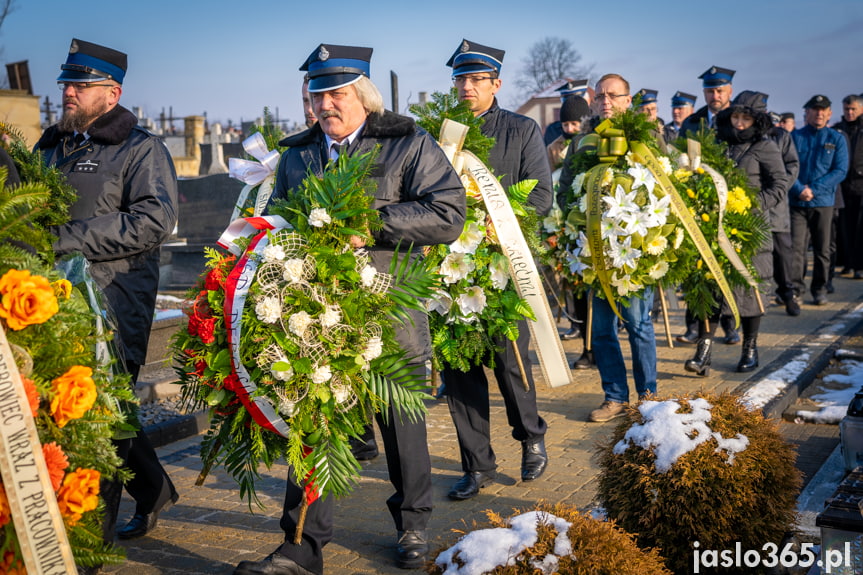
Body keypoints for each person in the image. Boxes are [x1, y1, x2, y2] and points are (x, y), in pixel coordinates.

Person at [232, 44, 465, 575]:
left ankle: (412, 523)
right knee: (313, 418)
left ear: (363, 95)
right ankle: (301, 545)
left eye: (336, 93)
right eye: (317, 95)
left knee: (400, 423)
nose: (325, 105)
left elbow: (449, 212)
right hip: (317, 314)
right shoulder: (297, 155)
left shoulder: (407, 143)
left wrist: (373, 225)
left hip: (391, 309)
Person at [34, 38, 179, 543]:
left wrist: (63, 242)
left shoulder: (140, 149)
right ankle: (154, 486)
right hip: (50, 301)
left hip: (114, 300)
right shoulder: (50, 146)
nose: (67, 92)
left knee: (100, 416)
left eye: (79, 84)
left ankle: (93, 541)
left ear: (111, 93)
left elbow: (153, 221)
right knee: (83, 408)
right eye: (66, 83)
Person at [440, 39, 552, 501]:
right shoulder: (440, 133)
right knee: (459, 368)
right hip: (450, 268)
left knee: (511, 362)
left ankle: (531, 437)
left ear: (496, 84)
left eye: (476, 79)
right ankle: (477, 464)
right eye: (461, 79)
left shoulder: (522, 129)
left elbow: (542, 197)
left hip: (503, 266)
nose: (467, 87)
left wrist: (495, 223)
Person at [559, 73, 658, 423]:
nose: (606, 102)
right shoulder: (584, 142)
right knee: (601, 330)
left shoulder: (645, 138)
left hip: (633, 252)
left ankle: (649, 399)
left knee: (638, 325)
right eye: (600, 96)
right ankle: (615, 396)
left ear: (628, 100)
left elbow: (661, 189)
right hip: (595, 252)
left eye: (613, 95)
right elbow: (566, 188)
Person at [684, 91, 788, 375]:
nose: (739, 123)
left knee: (748, 290)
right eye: (736, 117)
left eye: (746, 118)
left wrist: (752, 206)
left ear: (757, 120)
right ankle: (703, 350)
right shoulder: (717, 143)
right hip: (714, 226)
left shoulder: (764, 146)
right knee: (710, 287)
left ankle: (750, 348)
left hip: (749, 230)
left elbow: (779, 184)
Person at [678, 66, 740, 345]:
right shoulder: (693, 123)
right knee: (695, 266)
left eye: (719, 90)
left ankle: (729, 322)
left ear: (730, 91)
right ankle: (694, 324)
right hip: (698, 202)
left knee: (726, 264)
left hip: (731, 203)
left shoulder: (740, 119)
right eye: (710, 90)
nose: (714, 95)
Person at [789, 95, 849, 306]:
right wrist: (799, 189)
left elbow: (840, 170)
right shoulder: (795, 137)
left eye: (823, 110)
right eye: (815, 109)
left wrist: (813, 189)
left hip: (823, 201)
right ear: (807, 112)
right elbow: (787, 167)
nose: (819, 113)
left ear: (829, 113)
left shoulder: (836, 138)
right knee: (797, 249)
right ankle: (796, 289)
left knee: (823, 250)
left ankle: (820, 288)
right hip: (797, 202)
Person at [833, 95, 863, 278]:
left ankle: (860, 265)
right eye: (846, 109)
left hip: (861, 185)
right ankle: (848, 263)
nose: (849, 113)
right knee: (845, 228)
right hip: (843, 186)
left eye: (853, 109)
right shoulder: (839, 130)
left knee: (860, 228)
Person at [680, 66, 735, 136]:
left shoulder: (741, 121)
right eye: (710, 92)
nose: (715, 96)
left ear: (730, 92)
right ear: (704, 93)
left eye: (719, 91)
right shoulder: (690, 123)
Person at [543, 79, 590, 146]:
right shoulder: (553, 131)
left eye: (578, 101)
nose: (571, 106)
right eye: (566, 102)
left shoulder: (597, 125)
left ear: (588, 101)